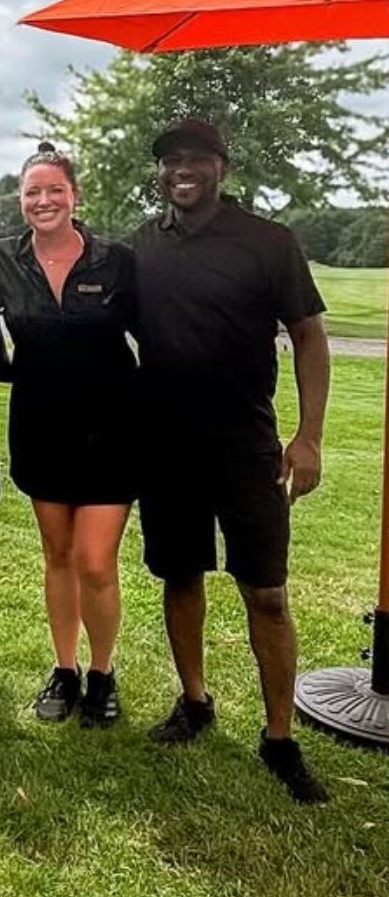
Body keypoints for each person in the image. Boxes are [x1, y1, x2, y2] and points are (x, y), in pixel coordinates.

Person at [133, 119, 331, 803]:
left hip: (247, 448)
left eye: (196, 158)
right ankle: (194, 701)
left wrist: (309, 436)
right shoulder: (144, 245)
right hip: (166, 448)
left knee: (267, 594)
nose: (181, 169)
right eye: (170, 160)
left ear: (224, 167)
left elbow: (308, 335)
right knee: (180, 575)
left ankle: (279, 737)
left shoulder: (269, 242)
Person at [0, 143, 138, 727]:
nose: (43, 200)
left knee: (95, 561)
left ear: (75, 196)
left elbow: (157, 333)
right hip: (41, 425)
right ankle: (65, 670)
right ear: (20, 200)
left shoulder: (116, 261)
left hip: (113, 427)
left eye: (54, 190)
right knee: (58, 554)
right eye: (32, 192)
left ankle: (103, 672)